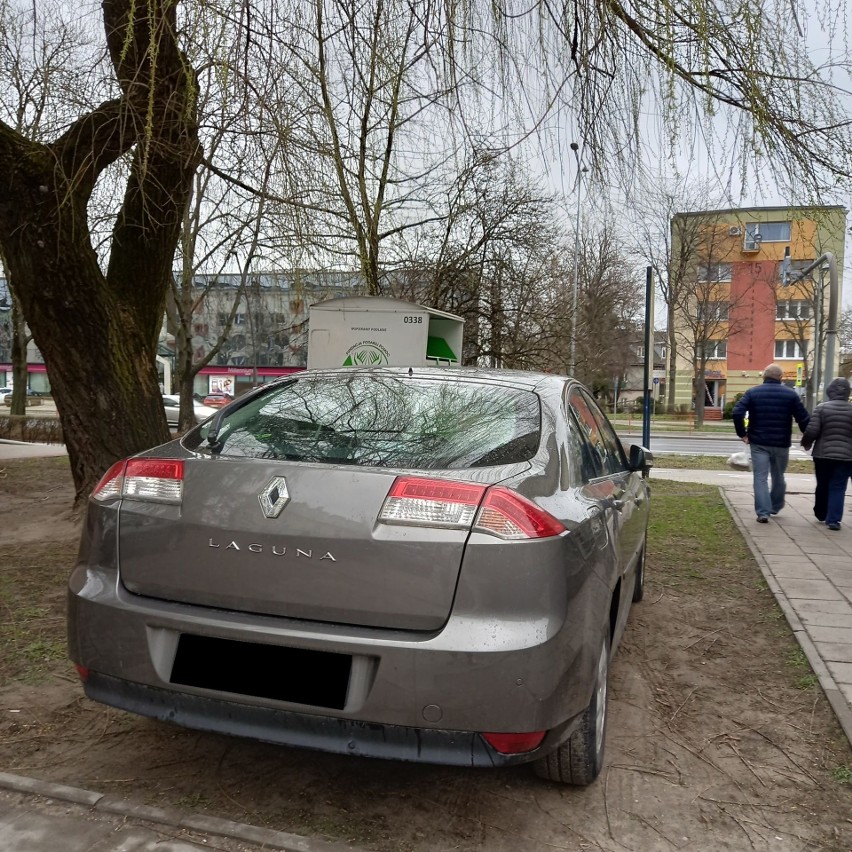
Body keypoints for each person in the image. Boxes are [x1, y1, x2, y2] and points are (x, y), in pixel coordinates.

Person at [732, 364, 809, 523]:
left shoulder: (753, 392)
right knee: (778, 475)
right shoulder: (791, 395)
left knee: (760, 477)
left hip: (759, 442)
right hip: (781, 442)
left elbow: (737, 411)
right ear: (781, 378)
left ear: (764, 377)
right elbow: (803, 418)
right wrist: (807, 437)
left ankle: (763, 512)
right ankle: (775, 505)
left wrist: (742, 433)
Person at [800, 377, 852, 531]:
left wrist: (807, 442)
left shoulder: (822, 408)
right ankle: (834, 520)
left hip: (822, 455)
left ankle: (821, 512)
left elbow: (812, 430)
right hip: (846, 456)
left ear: (830, 391)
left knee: (822, 484)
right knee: (838, 486)